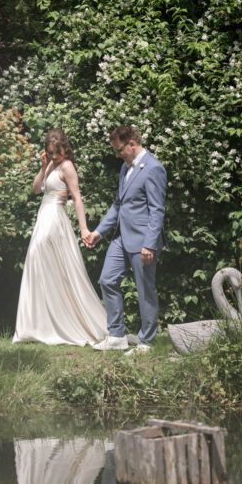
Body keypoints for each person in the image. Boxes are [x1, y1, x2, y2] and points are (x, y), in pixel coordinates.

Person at [12, 129, 107, 345]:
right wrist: (44, 165)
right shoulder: (51, 166)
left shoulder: (67, 167)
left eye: (56, 153)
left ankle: (64, 321)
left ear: (65, 148)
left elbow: (78, 199)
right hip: (43, 217)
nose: (54, 156)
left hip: (55, 218)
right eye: (50, 153)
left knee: (42, 257)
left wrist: (84, 229)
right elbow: (36, 189)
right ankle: (39, 324)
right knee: (38, 263)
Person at [85, 126, 167, 355]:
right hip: (121, 238)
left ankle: (147, 343)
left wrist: (150, 243)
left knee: (145, 290)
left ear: (132, 143)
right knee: (107, 280)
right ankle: (117, 336)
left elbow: (157, 210)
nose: (118, 154)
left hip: (143, 242)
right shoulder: (125, 168)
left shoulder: (153, 169)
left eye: (119, 149)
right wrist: (99, 232)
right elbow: (118, 205)